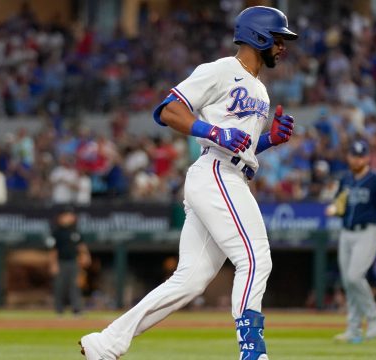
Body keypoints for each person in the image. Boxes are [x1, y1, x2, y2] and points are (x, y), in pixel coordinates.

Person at [79, 6, 297, 360]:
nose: (283, 46)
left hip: (229, 174)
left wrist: (269, 140)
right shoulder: (221, 69)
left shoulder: (260, 89)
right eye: (278, 38)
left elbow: (242, 146)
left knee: (189, 281)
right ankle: (252, 352)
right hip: (215, 173)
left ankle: (106, 342)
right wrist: (210, 130)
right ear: (258, 37)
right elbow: (168, 109)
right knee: (256, 259)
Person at [325, 139, 376, 343]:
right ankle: (354, 329)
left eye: (361, 155)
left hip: (368, 231)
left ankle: (374, 317)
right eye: (354, 155)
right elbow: (340, 207)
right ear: (349, 157)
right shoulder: (346, 180)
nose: (357, 159)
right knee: (348, 282)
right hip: (346, 232)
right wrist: (335, 210)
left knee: (355, 276)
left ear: (367, 157)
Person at [48, 206, 91, 316]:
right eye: (67, 215)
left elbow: (81, 246)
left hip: (74, 262)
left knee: (75, 286)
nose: (70, 218)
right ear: (61, 217)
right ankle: (59, 310)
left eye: (71, 215)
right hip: (61, 262)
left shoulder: (75, 231)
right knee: (60, 286)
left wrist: (86, 255)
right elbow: (53, 250)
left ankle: (77, 309)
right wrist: (53, 264)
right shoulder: (56, 232)